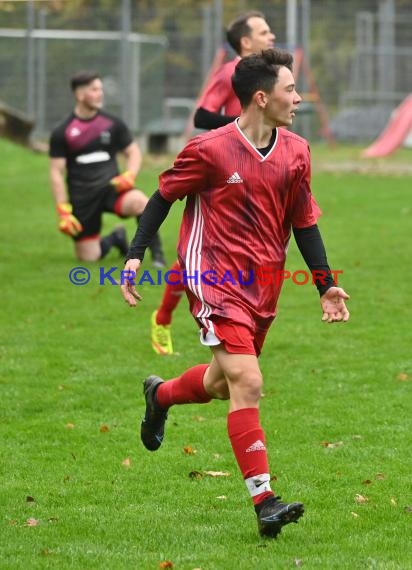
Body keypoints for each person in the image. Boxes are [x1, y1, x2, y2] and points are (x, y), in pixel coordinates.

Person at [121, 48, 350, 539]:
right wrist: (137, 253)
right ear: (262, 97)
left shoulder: (296, 151)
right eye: (291, 89)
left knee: (223, 383)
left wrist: (326, 286)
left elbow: (303, 223)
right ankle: (265, 500)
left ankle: (160, 395)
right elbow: (163, 196)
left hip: (263, 284)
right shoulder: (209, 149)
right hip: (212, 280)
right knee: (247, 380)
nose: (299, 97)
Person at [151, 10, 276, 354]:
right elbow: (202, 116)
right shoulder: (230, 71)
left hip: (259, 170)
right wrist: (241, 126)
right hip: (224, 169)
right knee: (198, 254)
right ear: (245, 42)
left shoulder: (270, 76)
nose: (272, 37)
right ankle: (163, 318)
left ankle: (243, 316)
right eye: (265, 32)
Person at [49, 71, 166, 265]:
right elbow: (56, 172)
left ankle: (157, 257)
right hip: (82, 196)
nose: (100, 93)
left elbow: (134, 152)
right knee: (89, 257)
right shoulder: (63, 131)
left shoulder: (112, 124)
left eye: (100, 89)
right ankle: (116, 238)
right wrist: (63, 210)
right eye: (94, 90)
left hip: (112, 188)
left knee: (141, 202)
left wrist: (129, 175)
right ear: (80, 95)